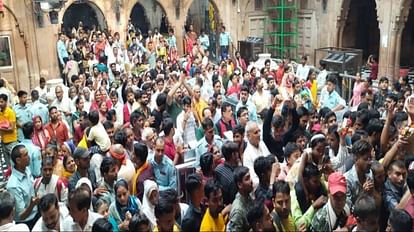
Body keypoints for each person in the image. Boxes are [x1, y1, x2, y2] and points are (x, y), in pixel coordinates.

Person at [6, 144, 39, 229]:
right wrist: (32, 205)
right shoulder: (13, 186)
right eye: (25, 155)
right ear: (18, 160)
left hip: (36, 215)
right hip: (26, 223)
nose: (29, 157)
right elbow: (21, 216)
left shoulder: (26, 170)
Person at [344, 140, 374, 208]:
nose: (370, 162)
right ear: (356, 159)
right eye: (366, 159)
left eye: (370, 158)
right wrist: (363, 193)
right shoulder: (347, 180)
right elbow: (349, 208)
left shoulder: (369, 174)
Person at [243, 121, 271, 187]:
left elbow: (270, 160)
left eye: (259, 131)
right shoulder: (247, 154)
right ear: (248, 136)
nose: (259, 134)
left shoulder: (262, 143)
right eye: (256, 132)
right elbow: (253, 179)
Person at [227, 166, 254, 231]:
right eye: (247, 179)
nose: (251, 181)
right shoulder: (238, 211)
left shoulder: (247, 195)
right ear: (239, 184)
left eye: (250, 177)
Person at [215, 141, 239, 206]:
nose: (238, 154)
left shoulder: (218, 168)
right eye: (236, 152)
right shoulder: (234, 178)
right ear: (233, 155)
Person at [0, 93, 18, 166]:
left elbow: (11, 128)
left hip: (11, 142)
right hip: (3, 141)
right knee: (8, 164)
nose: (0, 104)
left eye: (1, 102)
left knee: (15, 163)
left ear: (6, 102)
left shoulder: (10, 112)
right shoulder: (0, 113)